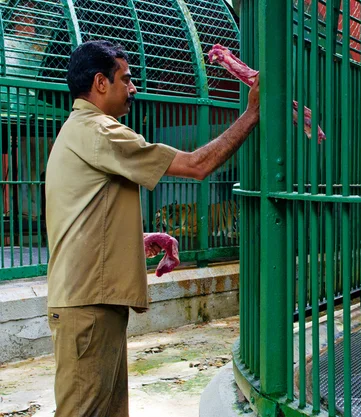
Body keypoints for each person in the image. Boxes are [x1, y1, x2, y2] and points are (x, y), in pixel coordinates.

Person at [44, 40, 259, 417]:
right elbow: (196, 165)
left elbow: (80, 214)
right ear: (100, 83)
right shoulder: (100, 131)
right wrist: (251, 113)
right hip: (87, 306)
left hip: (92, 304)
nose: (133, 89)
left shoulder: (79, 132)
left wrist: (137, 238)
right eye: (126, 80)